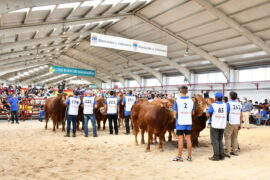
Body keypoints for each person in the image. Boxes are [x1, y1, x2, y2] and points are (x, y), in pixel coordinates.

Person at [172, 86, 194, 162]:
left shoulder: (177, 101)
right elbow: (192, 112)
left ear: (180, 92)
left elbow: (175, 113)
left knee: (180, 139)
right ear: (187, 91)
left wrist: (175, 115)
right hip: (188, 122)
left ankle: (179, 157)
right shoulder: (191, 101)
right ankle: (189, 156)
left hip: (180, 122)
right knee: (188, 139)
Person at [207, 92, 229, 161]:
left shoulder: (213, 105)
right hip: (222, 124)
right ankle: (221, 155)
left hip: (215, 124)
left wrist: (207, 111)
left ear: (216, 98)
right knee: (220, 140)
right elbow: (227, 112)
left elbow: (207, 115)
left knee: (215, 140)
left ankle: (216, 156)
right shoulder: (225, 105)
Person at [224, 92, 242, 157]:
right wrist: (240, 123)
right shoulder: (239, 104)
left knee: (227, 137)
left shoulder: (228, 104)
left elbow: (226, 113)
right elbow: (241, 114)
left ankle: (227, 152)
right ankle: (235, 151)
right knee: (235, 137)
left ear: (230, 96)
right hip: (237, 123)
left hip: (230, 122)